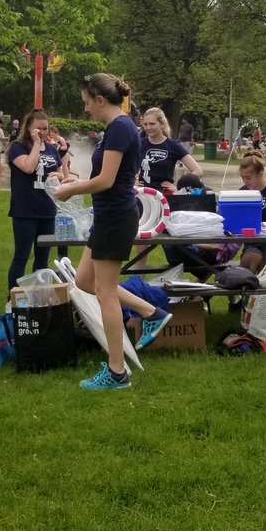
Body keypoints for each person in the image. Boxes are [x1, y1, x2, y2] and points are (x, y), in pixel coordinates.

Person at [54, 73, 172, 389]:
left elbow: (106, 180)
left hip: (116, 217)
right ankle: (151, 312)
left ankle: (116, 372)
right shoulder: (117, 128)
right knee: (84, 281)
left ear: (100, 100)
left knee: (105, 291)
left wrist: (73, 190)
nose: (85, 109)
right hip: (108, 215)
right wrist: (76, 182)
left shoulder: (120, 128)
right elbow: (111, 176)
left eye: (86, 102)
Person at [7, 109, 63, 292]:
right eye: (38, 129)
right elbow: (29, 167)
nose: (42, 132)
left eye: (45, 128)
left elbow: (63, 174)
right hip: (25, 210)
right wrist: (37, 144)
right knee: (22, 255)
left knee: (43, 257)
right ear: (29, 128)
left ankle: (39, 296)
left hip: (47, 209)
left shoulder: (53, 149)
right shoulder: (18, 147)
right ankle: (14, 297)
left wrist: (59, 176)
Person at [137, 107, 204, 194]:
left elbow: (198, 171)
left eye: (152, 124)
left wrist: (179, 187)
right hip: (143, 195)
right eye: (145, 124)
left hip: (164, 196)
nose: (148, 127)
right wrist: (132, 181)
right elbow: (125, 167)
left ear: (162, 124)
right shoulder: (139, 144)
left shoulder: (173, 145)